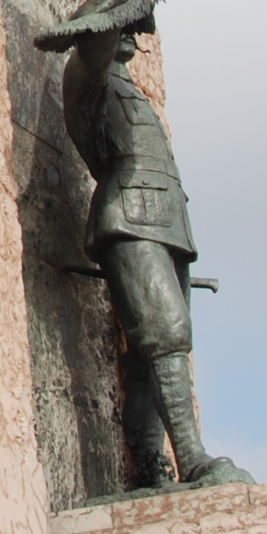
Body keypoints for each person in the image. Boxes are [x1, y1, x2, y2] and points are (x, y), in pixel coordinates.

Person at [54, 26, 247, 488]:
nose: (137, 31)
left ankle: (150, 466)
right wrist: (115, 4)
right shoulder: (88, 77)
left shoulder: (132, 89)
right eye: (126, 22)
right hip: (129, 216)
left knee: (149, 357)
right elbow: (94, 46)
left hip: (169, 222)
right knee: (167, 334)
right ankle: (191, 458)